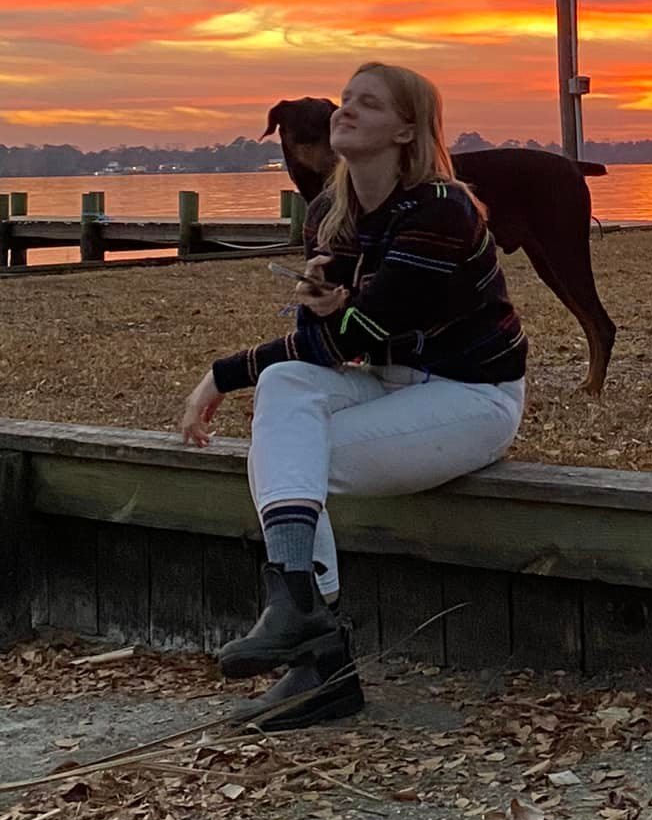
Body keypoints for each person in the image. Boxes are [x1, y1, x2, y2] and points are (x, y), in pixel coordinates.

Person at [179, 61, 527, 729]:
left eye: (368, 104)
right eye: (346, 100)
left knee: (290, 450)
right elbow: (334, 338)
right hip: (386, 380)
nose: (345, 112)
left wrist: (223, 373)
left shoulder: (440, 211)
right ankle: (304, 613)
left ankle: (318, 653)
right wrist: (323, 301)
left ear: (406, 130)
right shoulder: (328, 214)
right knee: (284, 387)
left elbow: (356, 335)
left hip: (472, 396)